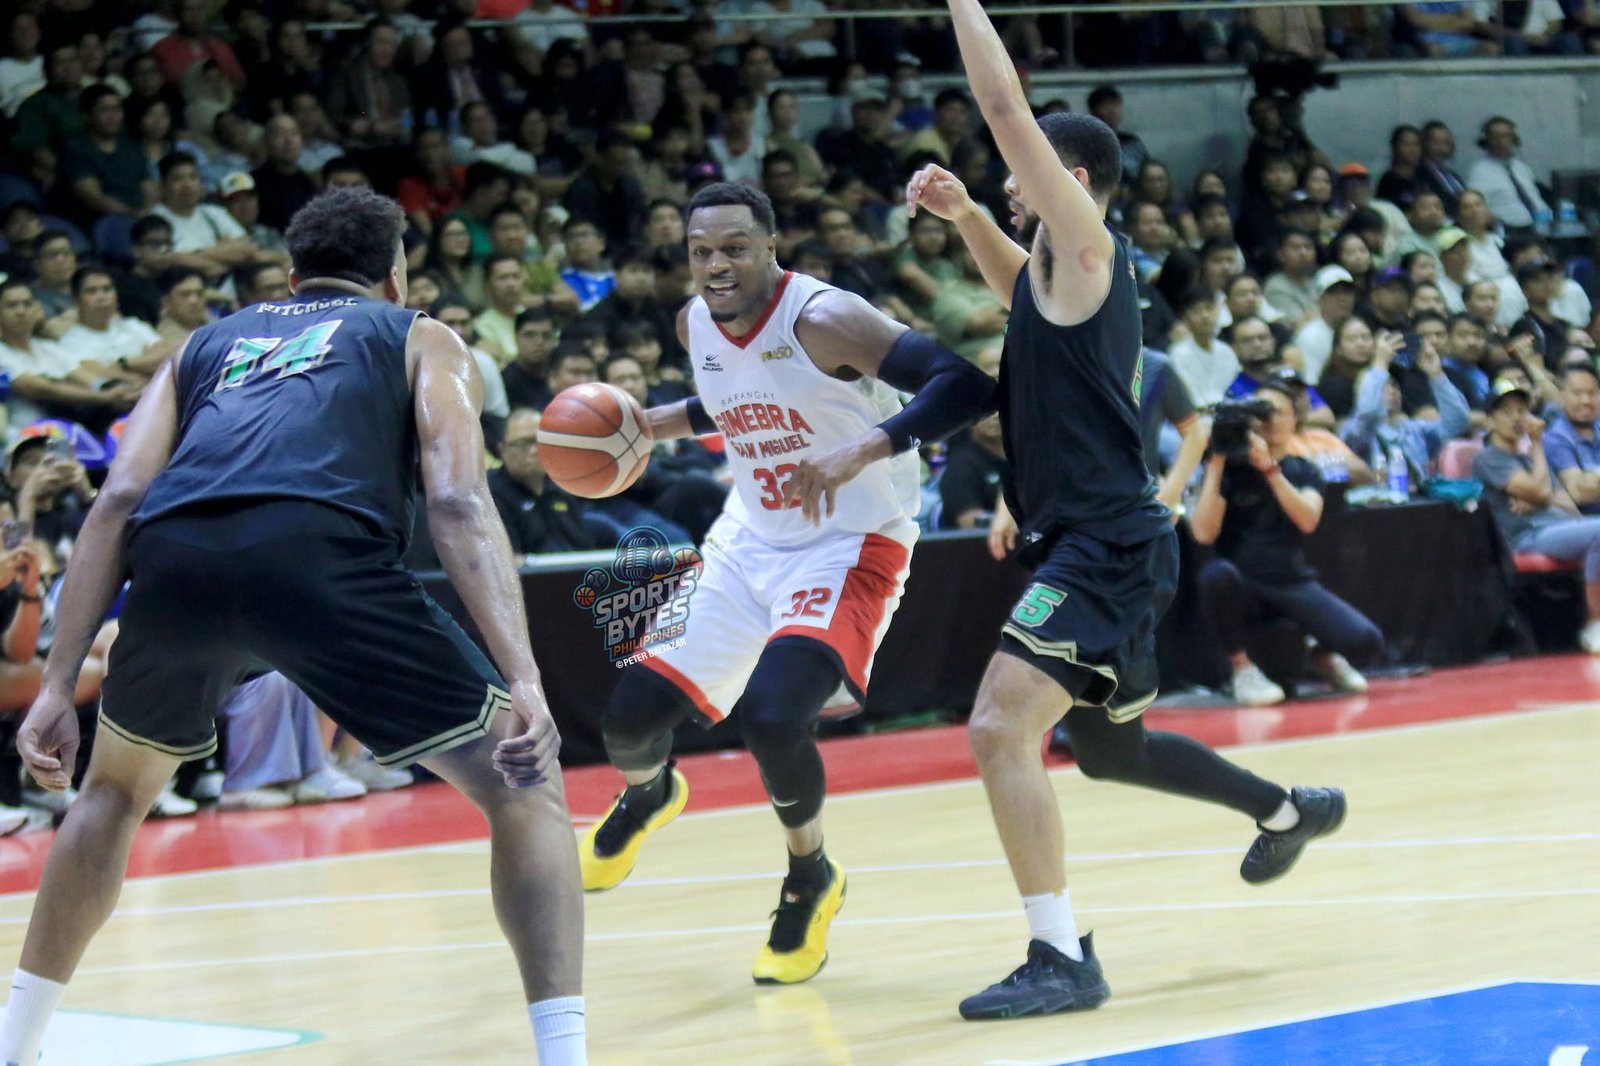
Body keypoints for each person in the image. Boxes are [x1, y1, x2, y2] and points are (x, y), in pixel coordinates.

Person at [0, 187, 587, 1066]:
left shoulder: (201, 344)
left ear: (289, 275)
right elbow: (460, 500)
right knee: (525, 791)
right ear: (396, 276)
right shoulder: (422, 335)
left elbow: (119, 498)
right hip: (320, 559)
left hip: (180, 561)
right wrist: (528, 677)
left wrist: (55, 685)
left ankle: (14, 1046)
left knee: (112, 796)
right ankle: (564, 1056)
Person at [905, 0, 1346, 1022]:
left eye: (1024, 172)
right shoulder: (1059, 278)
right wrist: (969, 214)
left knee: (995, 727)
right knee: (1110, 749)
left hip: (1102, 548)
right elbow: (1016, 283)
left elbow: (1005, 103)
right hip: (1095, 540)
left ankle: (1060, 955)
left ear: (1070, 178)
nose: (1011, 178)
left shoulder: (1090, 245)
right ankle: (1287, 808)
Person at [574, 181, 995, 986]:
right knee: (627, 724)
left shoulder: (826, 317)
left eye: (735, 247)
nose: (717, 265)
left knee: (773, 719)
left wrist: (863, 448)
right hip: (745, 544)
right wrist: (659, 422)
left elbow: (966, 385)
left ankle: (811, 875)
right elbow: (737, 399)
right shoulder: (692, 320)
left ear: (772, 248)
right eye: (701, 252)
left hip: (850, 543)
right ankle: (650, 792)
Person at [1192, 372, 1384, 707]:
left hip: (1290, 580)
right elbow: (1203, 532)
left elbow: (1308, 519)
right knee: (1215, 575)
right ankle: (1242, 669)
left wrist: (1269, 469)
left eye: (1278, 411)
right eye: (1261, 413)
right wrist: (1218, 461)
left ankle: (1319, 654)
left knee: (1366, 641)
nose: (1269, 420)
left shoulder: (1303, 470)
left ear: (1295, 418)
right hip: (1242, 580)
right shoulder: (1228, 469)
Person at [1474, 374, 1600, 653]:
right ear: (1491, 420)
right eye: (1506, 412)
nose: (1517, 418)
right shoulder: (1488, 458)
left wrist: (1539, 498)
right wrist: (1539, 446)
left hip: (1561, 526)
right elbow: (1543, 492)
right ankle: (1595, 624)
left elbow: (1567, 502)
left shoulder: (1525, 459)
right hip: (1529, 536)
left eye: (1521, 410)